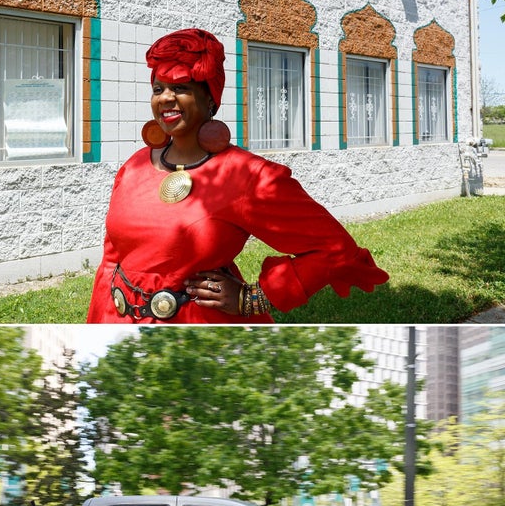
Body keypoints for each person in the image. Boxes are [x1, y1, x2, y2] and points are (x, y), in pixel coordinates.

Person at [87, 28, 389, 323]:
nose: (165, 98)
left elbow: (335, 249)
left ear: (210, 100)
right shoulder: (134, 167)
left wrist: (253, 298)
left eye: (180, 88)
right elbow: (111, 260)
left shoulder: (246, 176)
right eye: (158, 89)